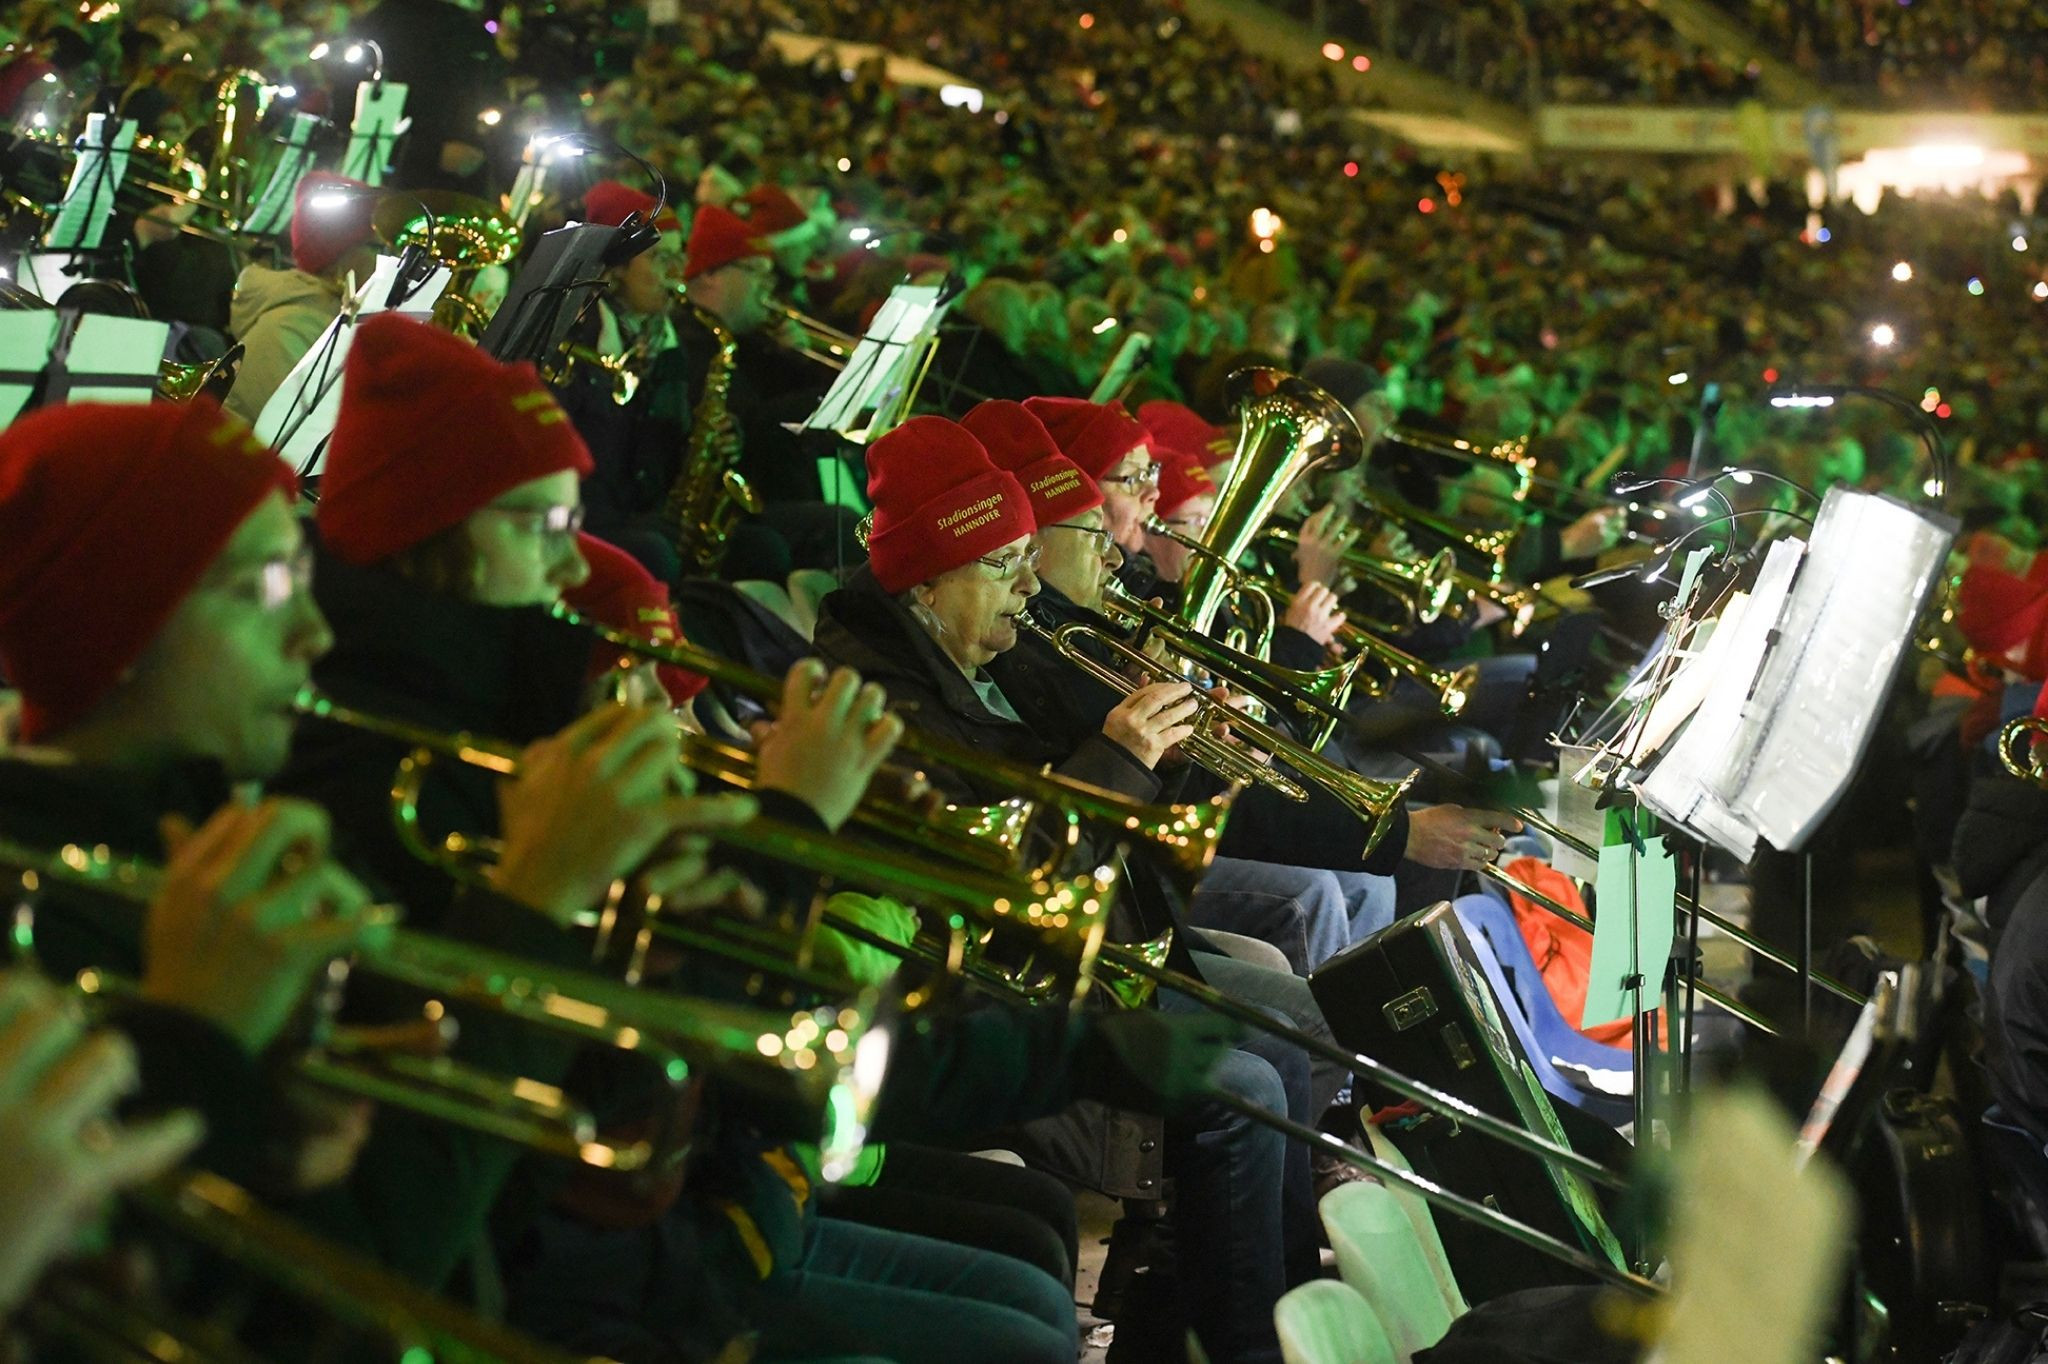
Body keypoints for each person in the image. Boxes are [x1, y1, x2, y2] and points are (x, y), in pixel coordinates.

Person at [811, 413, 1333, 1363]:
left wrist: (1179, 745)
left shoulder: (989, 657)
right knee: (1246, 1083)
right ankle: (1235, 1338)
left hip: (1087, 941)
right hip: (987, 991)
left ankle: (1243, 1318)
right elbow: (1000, 878)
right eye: (1001, 564)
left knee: (1284, 1049)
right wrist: (1124, 752)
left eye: (1025, 557)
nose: (1026, 585)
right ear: (928, 583)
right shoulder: (888, 696)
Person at [223, 173, 381, 425]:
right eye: (377, 249)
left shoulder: (328, 312)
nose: (389, 261)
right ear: (338, 263)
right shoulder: (294, 327)